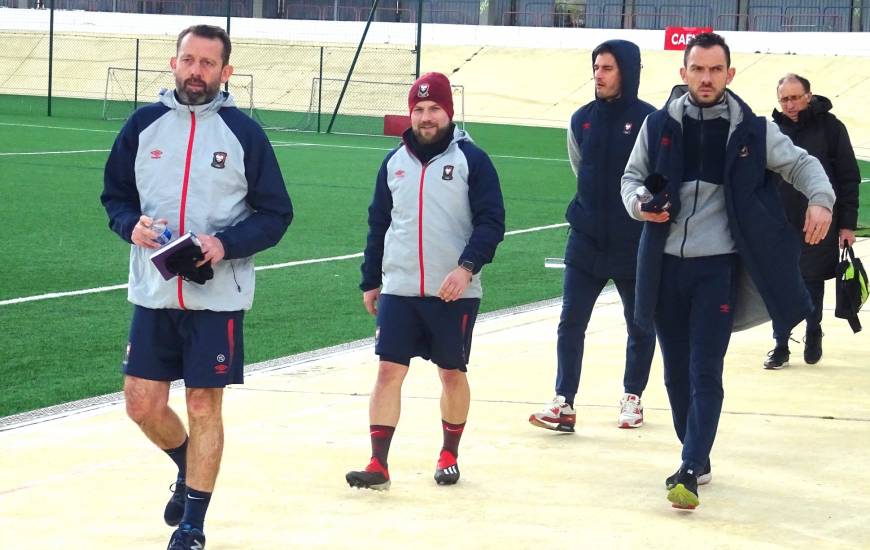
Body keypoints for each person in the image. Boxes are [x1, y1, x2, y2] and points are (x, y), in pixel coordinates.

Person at [620, 33, 834, 510]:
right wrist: (640, 205)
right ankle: (694, 449)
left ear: (730, 75)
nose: (707, 78)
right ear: (683, 74)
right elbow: (630, 179)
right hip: (663, 266)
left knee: (704, 369)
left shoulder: (753, 130)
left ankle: (690, 467)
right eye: (698, 69)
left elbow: (802, 165)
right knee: (675, 373)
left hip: (717, 269)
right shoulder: (657, 127)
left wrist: (822, 201)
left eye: (716, 70)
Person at [101, 25, 293, 549]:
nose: (196, 71)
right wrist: (130, 226)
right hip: (153, 291)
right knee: (141, 403)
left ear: (226, 72)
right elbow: (114, 197)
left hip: (218, 295)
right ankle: (189, 467)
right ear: (173, 62)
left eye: (208, 63)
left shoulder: (244, 135)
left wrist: (223, 244)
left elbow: (277, 214)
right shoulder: (143, 125)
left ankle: (194, 526)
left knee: (204, 403)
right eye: (189, 60)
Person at [346, 72, 505, 490]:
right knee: (387, 372)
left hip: (453, 291)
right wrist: (371, 279)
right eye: (418, 110)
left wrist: (466, 267)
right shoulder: (393, 162)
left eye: (434, 109)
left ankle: (449, 452)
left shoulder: (473, 159)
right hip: (400, 289)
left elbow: (491, 222)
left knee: (451, 372)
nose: (426, 117)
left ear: (448, 112)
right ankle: (378, 463)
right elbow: (379, 224)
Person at [528, 40, 656, 433]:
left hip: (633, 239)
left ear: (627, 72)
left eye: (607, 68)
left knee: (639, 324)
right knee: (570, 322)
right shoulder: (580, 119)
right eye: (596, 68)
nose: (598, 75)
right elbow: (579, 166)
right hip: (585, 237)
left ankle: (632, 398)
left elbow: (655, 176)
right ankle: (564, 403)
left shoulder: (651, 120)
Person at [763, 73, 860, 369]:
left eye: (795, 98)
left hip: (820, 221)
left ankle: (813, 329)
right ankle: (780, 343)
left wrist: (847, 225)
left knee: (811, 282)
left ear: (809, 95)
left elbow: (848, 178)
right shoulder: (771, 131)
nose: (790, 105)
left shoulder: (831, 129)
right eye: (784, 99)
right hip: (779, 222)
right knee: (779, 284)